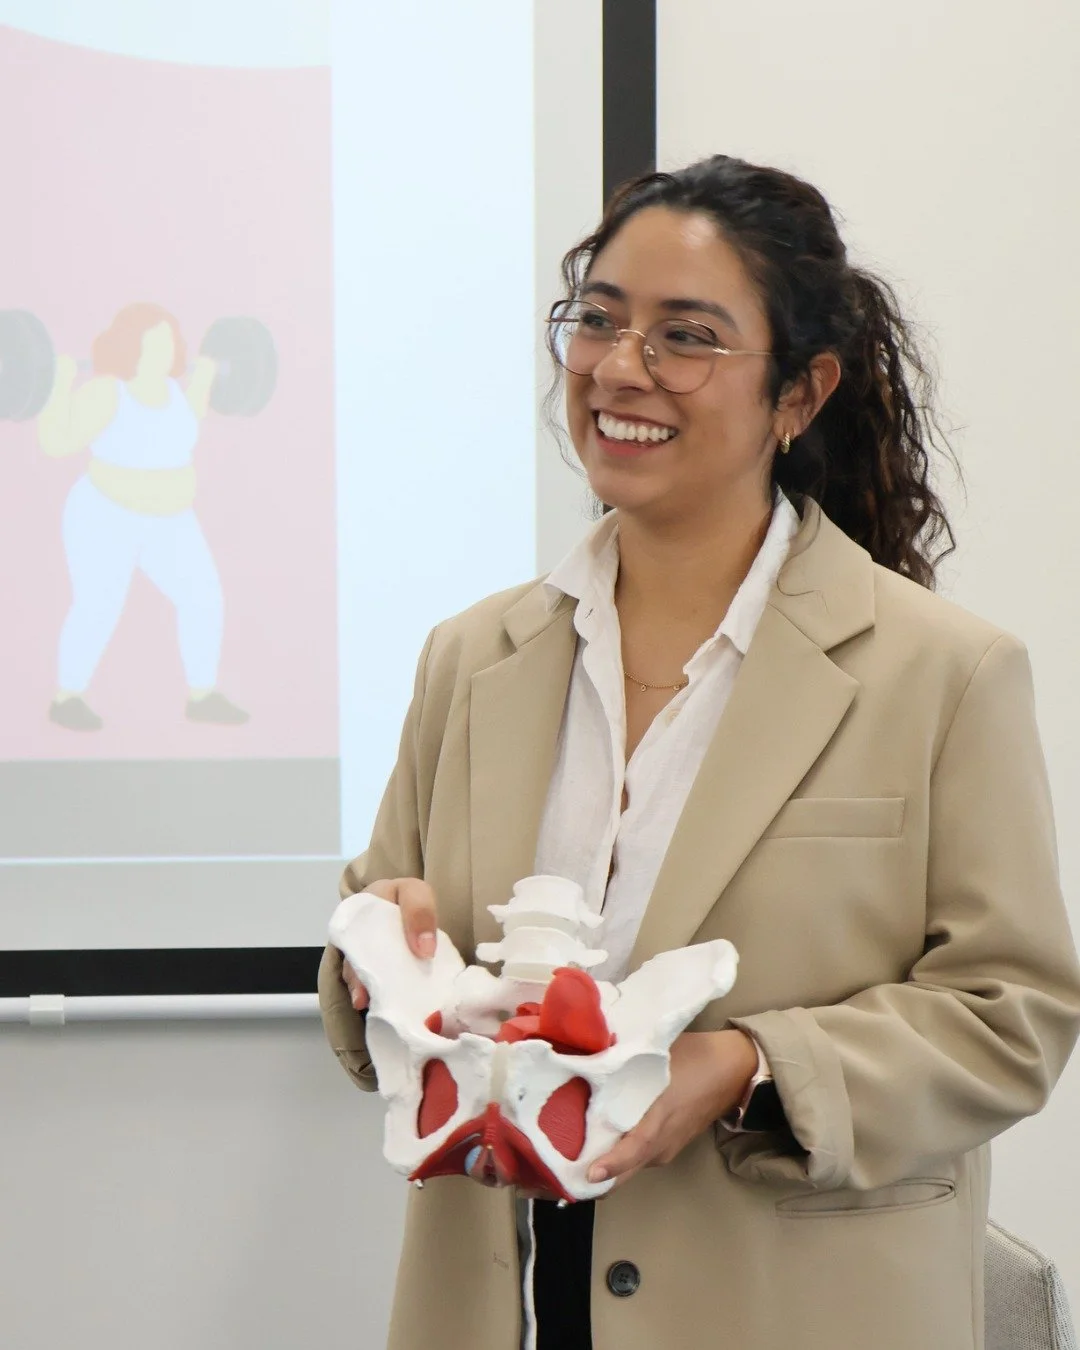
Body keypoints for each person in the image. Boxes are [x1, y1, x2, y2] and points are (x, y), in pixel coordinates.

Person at [319, 155, 1080, 1350]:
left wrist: (743, 1065)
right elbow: (379, 960)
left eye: (687, 336)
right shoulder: (471, 658)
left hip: (791, 1311)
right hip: (503, 1300)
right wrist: (381, 955)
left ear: (798, 392)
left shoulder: (944, 672)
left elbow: (1011, 1017)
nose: (623, 368)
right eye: (600, 320)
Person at [37, 302, 248, 731]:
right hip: (105, 517)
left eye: (167, 342)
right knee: (98, 604)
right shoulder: (105, 392)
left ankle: (202, 695)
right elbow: (57, 443)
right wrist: (57, 384)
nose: (163, 352)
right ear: (129, 347)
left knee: (204, 596)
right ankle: (67, 696)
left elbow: (182, 429)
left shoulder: (175, 392)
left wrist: (206, 378)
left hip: (169, 521)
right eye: (153, 344)